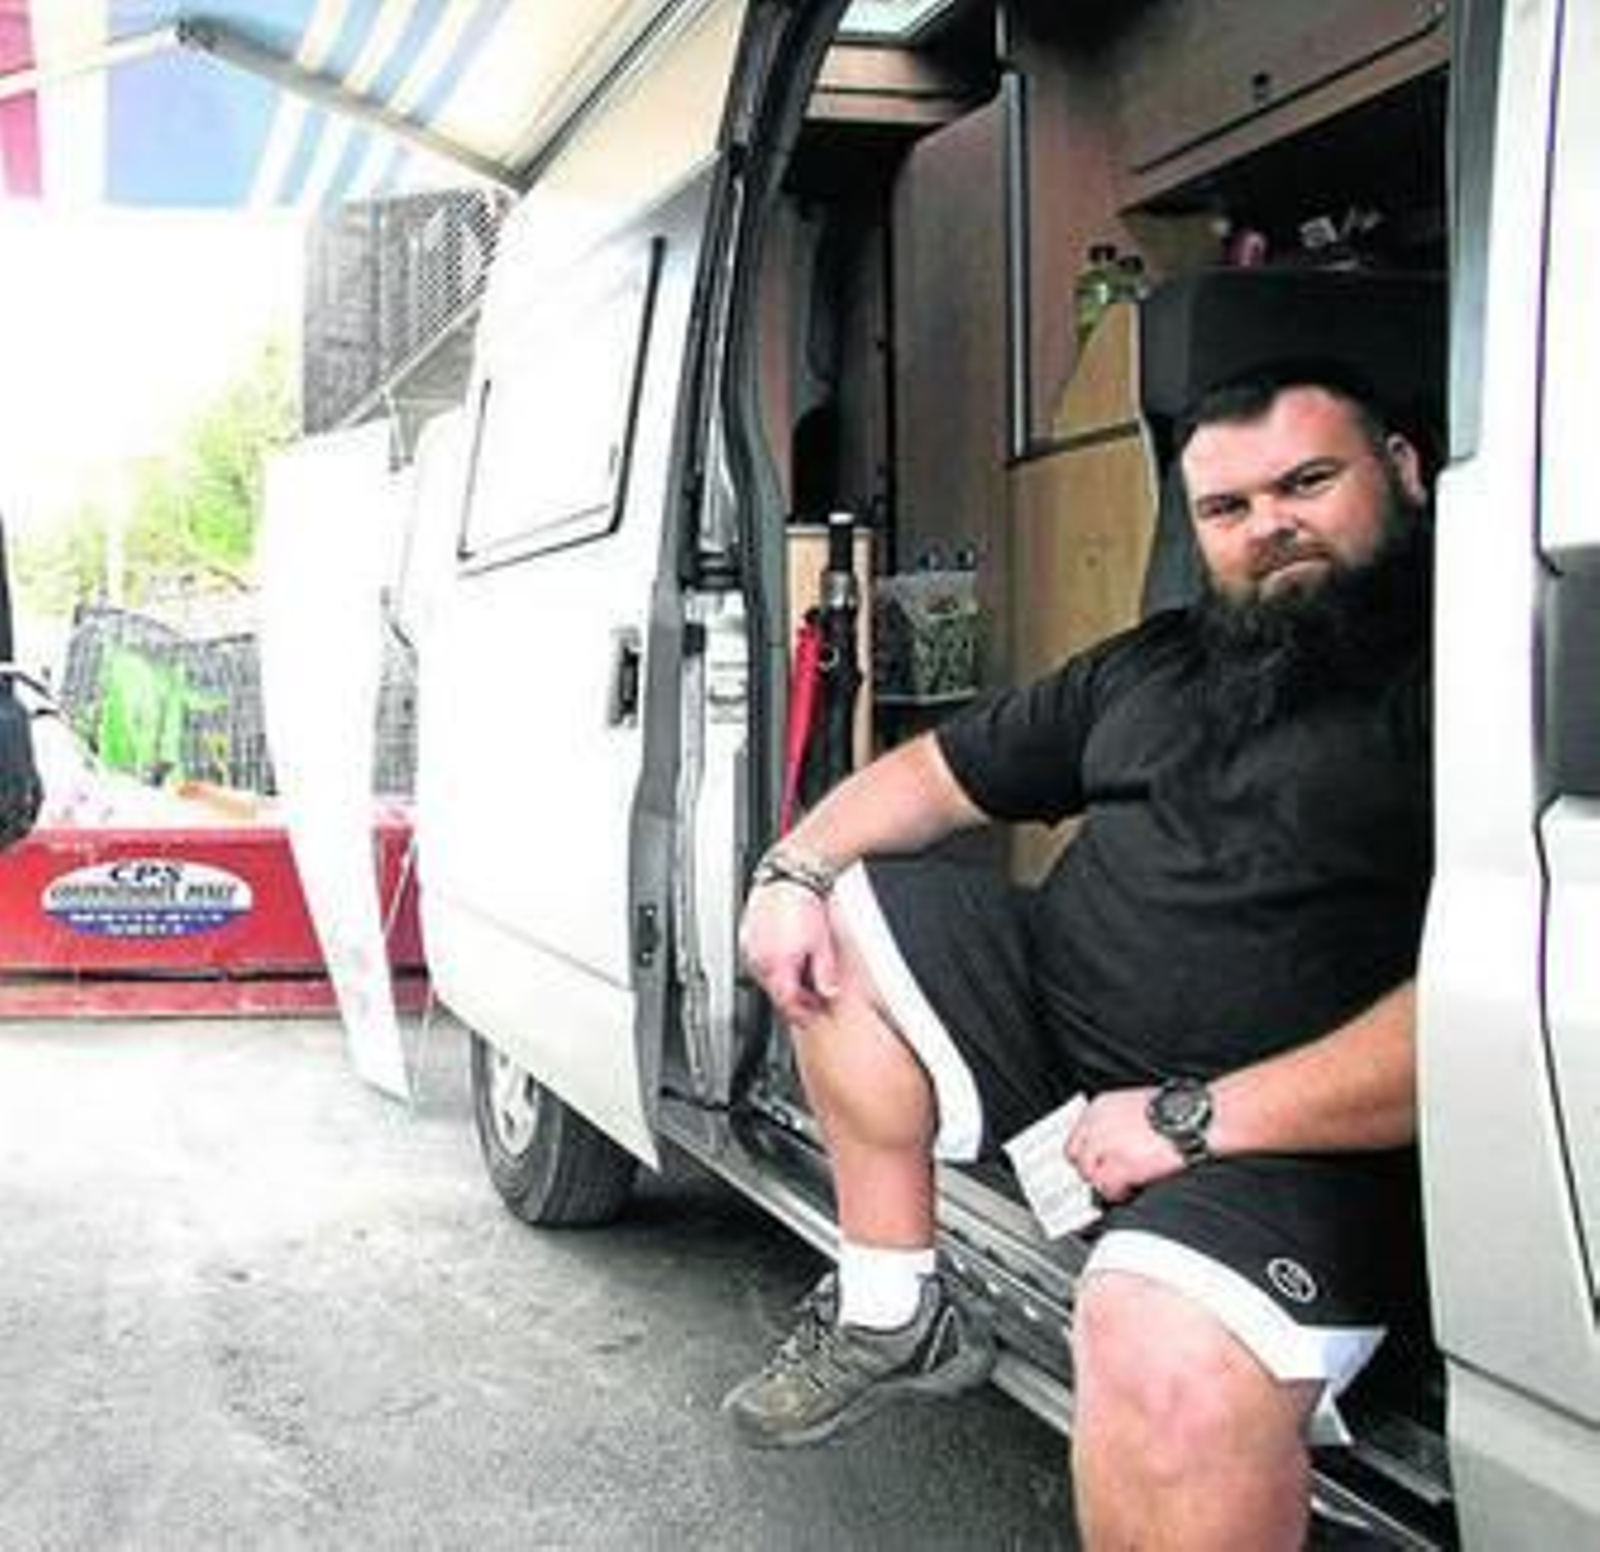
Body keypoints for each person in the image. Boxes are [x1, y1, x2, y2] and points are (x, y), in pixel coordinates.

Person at [722, 363, 1434, 1550]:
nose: (1270, 526)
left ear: (1403, 470)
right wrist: (785, 872)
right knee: (832, 912)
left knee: (1155, 1352)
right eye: (1228, 508)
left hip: (1286, 1133)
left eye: (1308, 482)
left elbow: (1483, 1008)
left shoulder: (1477, 686)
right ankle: (896, 1308)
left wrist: (1193, 1119)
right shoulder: (1156, 663)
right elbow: (927, 779)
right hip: (1071, 1056)